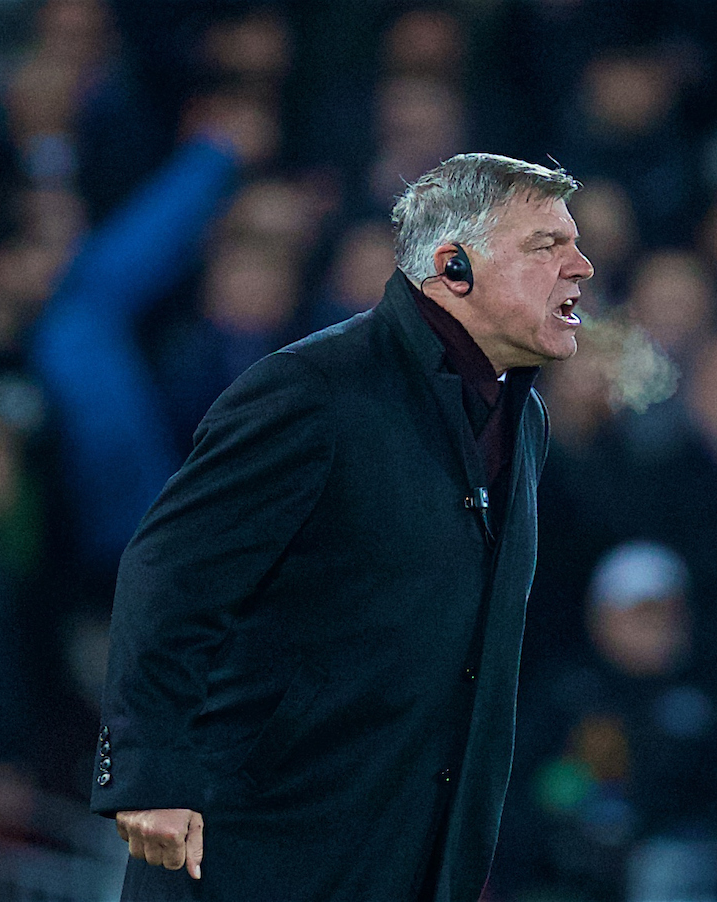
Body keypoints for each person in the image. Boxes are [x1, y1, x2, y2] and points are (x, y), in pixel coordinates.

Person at [90, 153, 594, 901]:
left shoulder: (526, 421)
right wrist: (149, 772)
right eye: (546, 246)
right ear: (454, 266)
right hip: (254, 859)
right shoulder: (313, 391)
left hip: (406, 866)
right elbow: (169, 574)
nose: (581, 266)